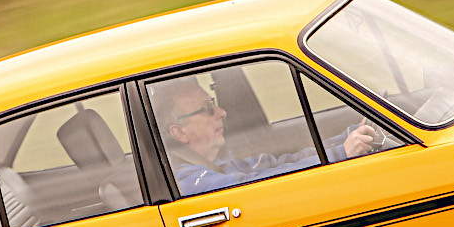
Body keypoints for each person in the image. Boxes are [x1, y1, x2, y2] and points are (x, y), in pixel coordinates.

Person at [156, 76, 379, 195]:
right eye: (207, 108)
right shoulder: (189, 183)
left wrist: (346, 138)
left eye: (213, 103)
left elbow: (278, 163)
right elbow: (257, 183)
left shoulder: (219, 165)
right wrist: (340, 154)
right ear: (179, 132)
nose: (221, 112)